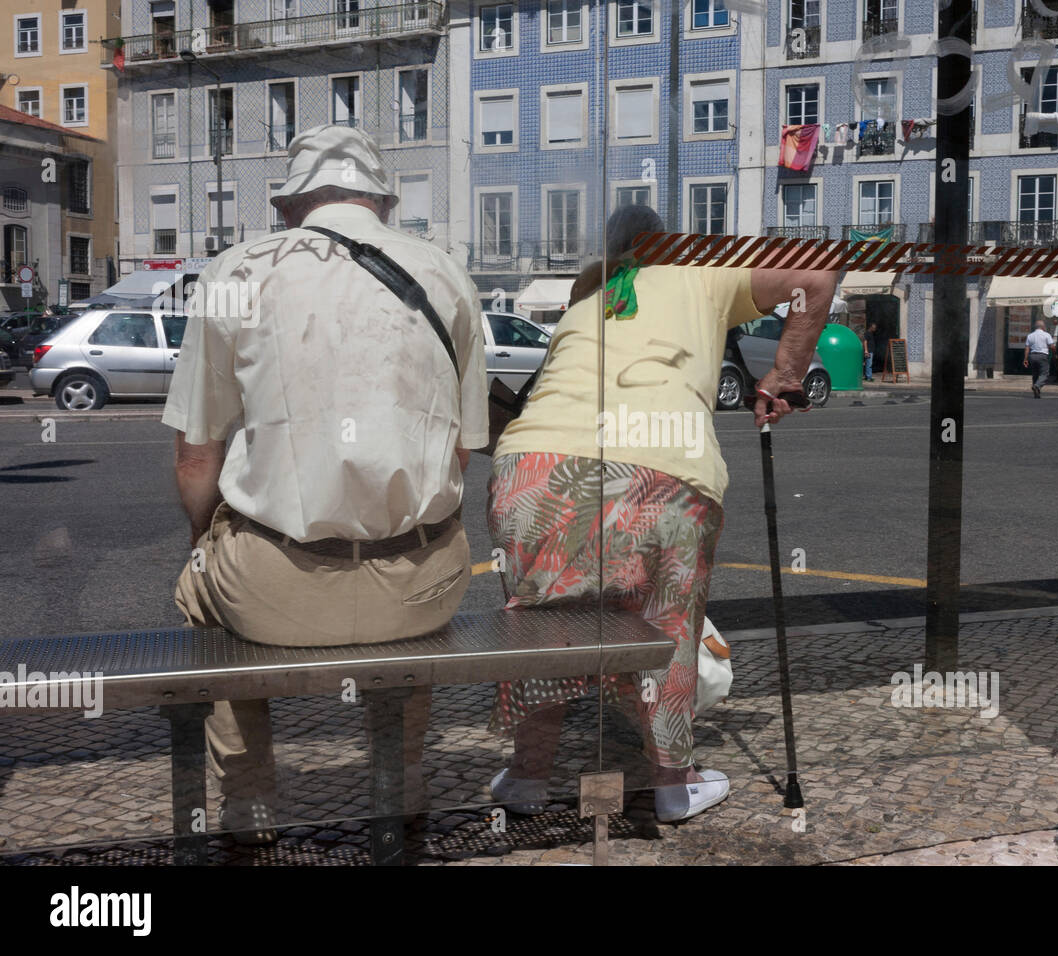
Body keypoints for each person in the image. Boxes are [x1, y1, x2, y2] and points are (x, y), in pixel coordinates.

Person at [164, 125, 489, 843]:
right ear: (381, 202)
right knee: (427, 557)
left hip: (275, 592)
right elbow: (462, 453)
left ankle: (248, 808)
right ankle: (399, 790)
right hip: (419, 587)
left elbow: (196, 461)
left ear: (290, 207)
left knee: (199, 591)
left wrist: (210, 543)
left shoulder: (233, 274)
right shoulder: (445, 272)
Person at [485, 204, 835, 823]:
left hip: (533, 470)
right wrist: (783, 373)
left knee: (543, 628)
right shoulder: (702, 269)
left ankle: (526, 777)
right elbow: (818, 272)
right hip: (659, 468)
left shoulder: (588, 297)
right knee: (668, 623)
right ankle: (673, 781)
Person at [1022, 318, 1054, 398]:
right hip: (1042, 356)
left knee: (1035, 374)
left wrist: (1025, 359)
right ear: (1043, 327)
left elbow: (1027, 348)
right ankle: (1037, 386)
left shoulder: (1030, 335)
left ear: (1036, 327)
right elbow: (1052, 346)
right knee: (1044, 374)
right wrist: (1054, 352)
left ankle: (1036, 393)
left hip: (1032, 356)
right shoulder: (1047, 335)